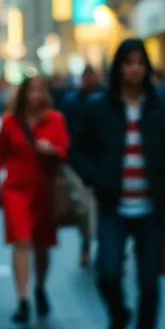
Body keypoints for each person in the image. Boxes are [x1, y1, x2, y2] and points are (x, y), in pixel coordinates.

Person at [70, 39, 165, 329]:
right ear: (119, 67)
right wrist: (96, 179)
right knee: (107, 273)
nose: (135, 68)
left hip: (151, 209)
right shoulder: (98, 108)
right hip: (113, 206)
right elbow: (77, 150)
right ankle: (119, 316)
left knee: (149, 283)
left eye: (140, 62)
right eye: (128, 62)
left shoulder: (162, 107)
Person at [0, 74, 70, 327]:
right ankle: (22, 298)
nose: (35, 95)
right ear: (23, 93)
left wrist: (53, 150)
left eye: (40, 90)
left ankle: (40, 287)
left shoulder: (55, 120)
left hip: (44, 191)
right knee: (21, 241)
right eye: (31, 90)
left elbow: (65, 150)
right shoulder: (10, 122)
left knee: (43, 245)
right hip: (16, 189)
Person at [57, 66, 103, 267]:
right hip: (76, 163)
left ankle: (103, 246)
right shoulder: (71, 103)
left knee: (101, 208)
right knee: (84, 208)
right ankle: (86, 242)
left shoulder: (106, 100)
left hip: (101, 163)